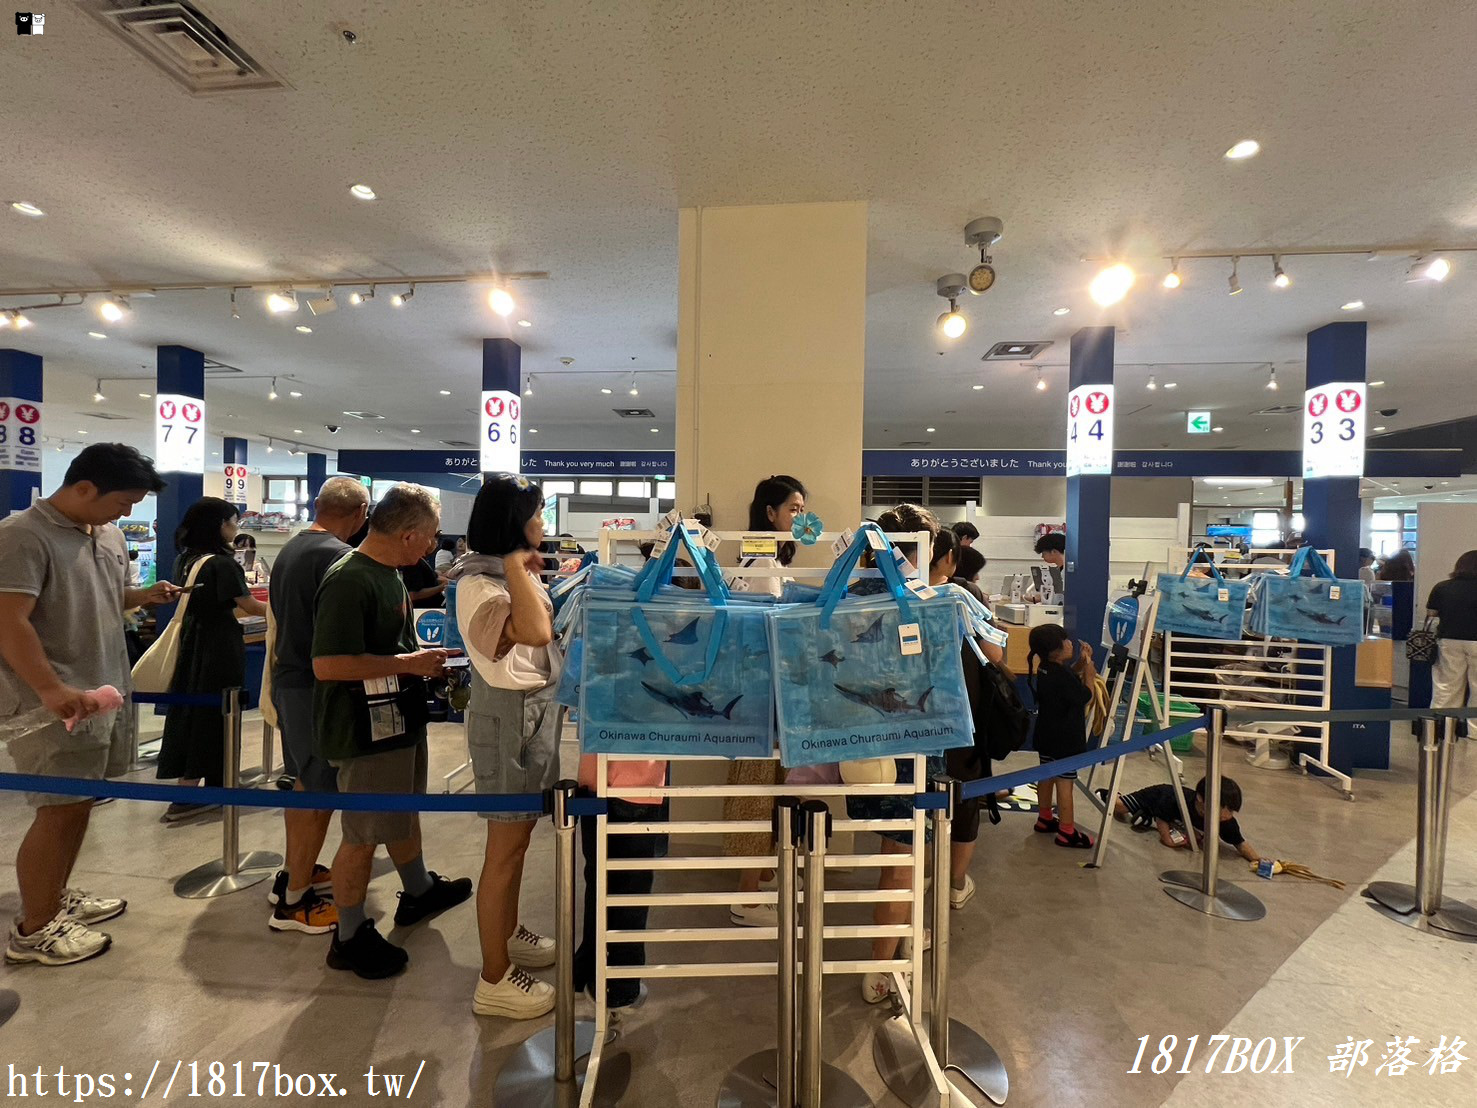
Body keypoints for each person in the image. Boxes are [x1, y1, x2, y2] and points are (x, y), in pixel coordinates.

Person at [0, 443, 177, 965]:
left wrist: (143, 596)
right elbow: (9, 620)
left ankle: (53, 897)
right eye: (122, 502)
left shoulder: (106, 533)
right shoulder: (21, 537)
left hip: (103, 693)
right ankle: (34, 928)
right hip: (52, 704)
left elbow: (103, 594)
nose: (127, 513)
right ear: (83, 488)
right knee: (57, 811)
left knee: (79, 804)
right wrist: (52, 690)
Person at [312, 484, 472, 980]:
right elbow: (327, 665)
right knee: (361, 835)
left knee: (404, 808)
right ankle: (349, 934)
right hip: (364, 730)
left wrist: (422, 666)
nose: (431, 548)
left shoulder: (389, 576)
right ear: (408, 535)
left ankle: (420, 888)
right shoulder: (348, 580)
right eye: (428, 538)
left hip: (397, 719)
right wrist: (409, 663)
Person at [447, 474, 564, 1018]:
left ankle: (509, 934)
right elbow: (537, 632)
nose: (543, 523)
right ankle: (493, 978)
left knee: (518, 845)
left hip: (531, 714)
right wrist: (518, 566)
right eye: (536, 514)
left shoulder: (497, 573)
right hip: (509, 719)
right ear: (513, 523)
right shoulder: (480, 581)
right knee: (505, 850)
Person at [266, 476, 371, 934]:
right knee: (319, 791)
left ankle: (296, 874)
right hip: (317, 689)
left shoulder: (291, 550)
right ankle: (294, 902)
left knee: (304, 784)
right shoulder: (338, 556)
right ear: (360, 513)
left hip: (291, 682)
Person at [853, 503, 946, 1003]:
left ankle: (892, 951)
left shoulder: (851, 593)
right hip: (912, 746)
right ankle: (881, 967)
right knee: (903, 861)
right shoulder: (926, 600)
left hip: (860, 742)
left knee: (896, 857)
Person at [726, 475, 807, 926]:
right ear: (770, 513)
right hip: (761, 692)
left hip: (763, 692)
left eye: (801, 509)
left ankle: (754, 880)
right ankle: (745, 896)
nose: (799, 517)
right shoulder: (760, 563)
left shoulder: (764, 559)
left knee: (768, 785)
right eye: (793, 509)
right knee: (756, 788)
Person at [156, 497, 267, 821]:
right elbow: (247, 604)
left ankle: (196, 784)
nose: (236, 528)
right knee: (219, 713)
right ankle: (200, 789)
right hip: (219, 644)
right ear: (221, 525)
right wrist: (284, 609)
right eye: (233, 522)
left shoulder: (186, 559)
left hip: (193, 642)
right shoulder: (221, 563)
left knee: (193, 712)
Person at [1027, 623, 1097, 849]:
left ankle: (1045, 817)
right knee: (1065, 782)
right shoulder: (1060, 675)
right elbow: (1084, 696)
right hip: (1065, 740)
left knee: (1046, 775)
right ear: (1055, 649)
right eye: (1065, 641)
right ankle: (1067, 831)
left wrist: (1080, 664)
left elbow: (1067, 680)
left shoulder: (1046, 668)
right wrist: (1090, 676)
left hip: (1047, 736)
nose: (1070, 643)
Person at [1100, 777, 1261, 863]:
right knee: (1119, 808)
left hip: (1171, 816)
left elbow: (1240, 842)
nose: (1227, 815)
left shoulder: (1226, 821)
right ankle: (1114, 795)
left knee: (1194, 835)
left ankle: (1146, 817)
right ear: (1200, 799)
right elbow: (1163, 817)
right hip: (1158, 796)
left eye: (1232, 810)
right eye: (1221, 809)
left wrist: (1259, 860)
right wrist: (1167, 839)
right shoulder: (1175, 798)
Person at [1428, 550, 1477, 714]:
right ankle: (1474, 731)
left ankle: (1442, 726)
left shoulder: (1442, 587)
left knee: (1447, 686)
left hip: (1449, 639)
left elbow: (1431, 613)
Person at [400, 536, 446, 608]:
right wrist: (441, 587)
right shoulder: (414, 562)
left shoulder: (421, 560)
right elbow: (413, 594)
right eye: (435, 537)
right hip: (423, 612)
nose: (436, 542)